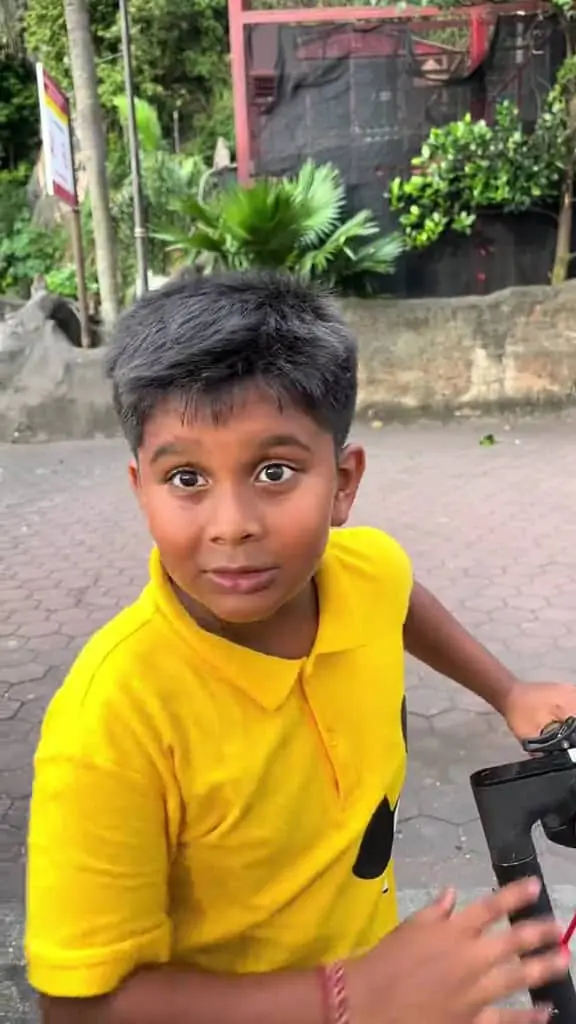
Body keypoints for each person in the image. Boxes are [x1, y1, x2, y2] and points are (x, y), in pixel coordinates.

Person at [26, 271, 576, 1024]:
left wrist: (506, 690)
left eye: (274, 471)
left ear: (343, 483)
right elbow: (77, 1007)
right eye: (186, 477)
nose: (232, 524)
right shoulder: (112, 722)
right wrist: (354, 997)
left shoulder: (361, 568)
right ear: (140, 489)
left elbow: (399, 593)